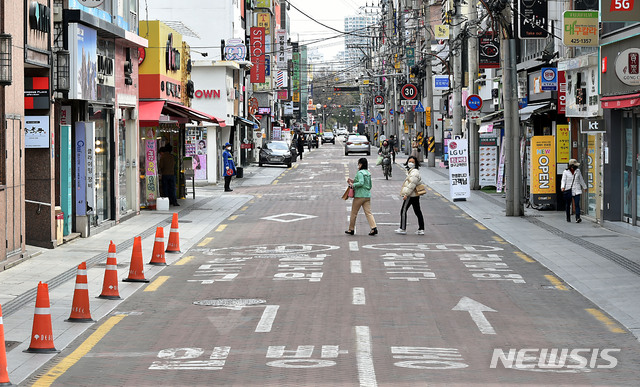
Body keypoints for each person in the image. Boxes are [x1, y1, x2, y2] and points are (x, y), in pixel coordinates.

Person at [345, 158, 378, 236]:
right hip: (367, 196)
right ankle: (374, 228)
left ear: (361, 164)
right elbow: (370, 185)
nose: (358, 165)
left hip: (359, 196)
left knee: (354, 213)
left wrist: (353, 185)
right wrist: (354, 181)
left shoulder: (360, 173)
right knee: (368, 213)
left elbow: (361, 182)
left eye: (359, 164)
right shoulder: (368, 173)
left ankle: (351, 229)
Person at [395, 156, 425, 235]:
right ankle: (421, 229)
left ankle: (403, 228)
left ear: (415, 164)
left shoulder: (414, 172)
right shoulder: (412, 171)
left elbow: (411, 185)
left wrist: (406, 194)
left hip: (411, 195)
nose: (410, 163)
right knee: (417, 211)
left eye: (412, 162)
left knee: (403, 211)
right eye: (409, 161)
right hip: (414, 195)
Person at [561, 158, 587, 223]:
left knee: (577, 204)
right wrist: (562, 187)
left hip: (577, 189)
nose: (576, 166)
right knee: (568, 204)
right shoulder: (566, 172)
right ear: (571, 166)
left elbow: (581, 179)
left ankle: (578, 217)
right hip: (568, 189)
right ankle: (568, 217)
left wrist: (584, 187)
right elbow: (563, 180)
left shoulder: (578, 171)